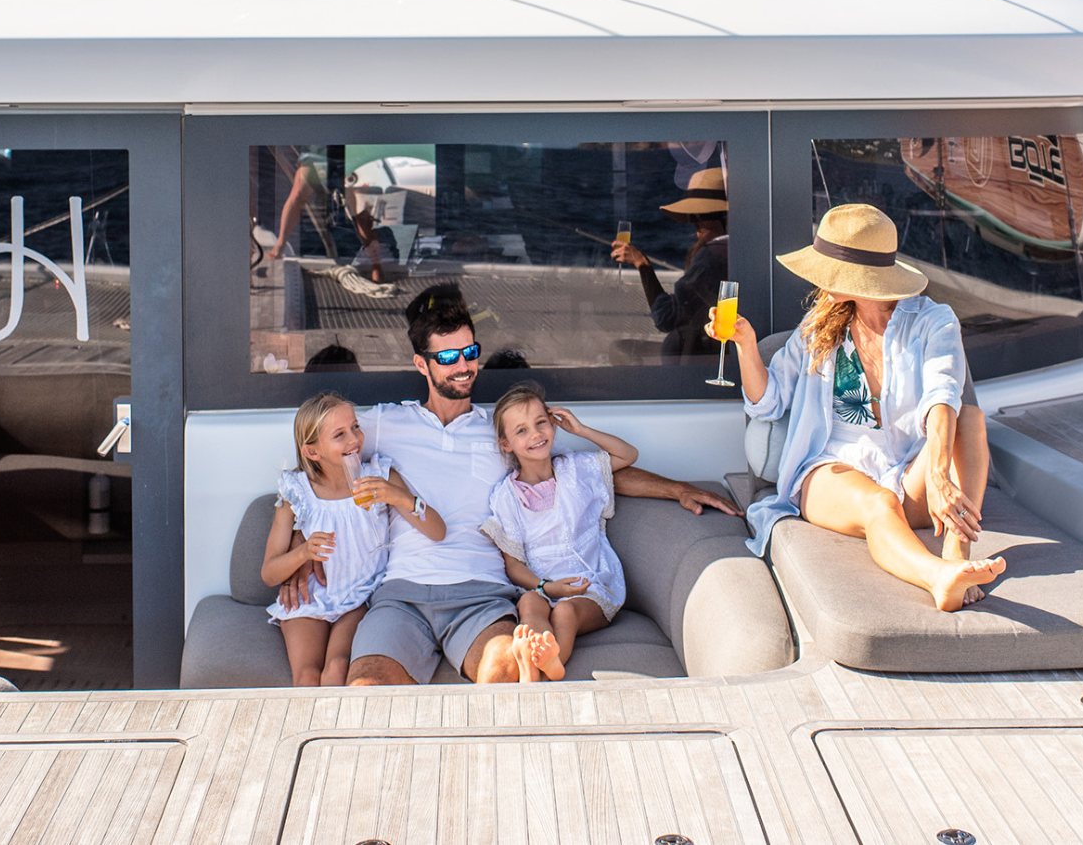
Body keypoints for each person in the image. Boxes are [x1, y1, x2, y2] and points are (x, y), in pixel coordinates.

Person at [278, 283, 742, 686]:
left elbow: (588, 471)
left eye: (470, 352)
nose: (464, 366)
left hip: (481, 593)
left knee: (504, 674)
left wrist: (677, 489)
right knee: (366, 687)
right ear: (422, 365)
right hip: (401, 593)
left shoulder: (502, 430)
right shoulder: (385, 424)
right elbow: (321, 460)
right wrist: (300, 546)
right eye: (448, 357)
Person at [721, 204, 1003, 612]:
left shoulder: (933, 321)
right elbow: (768, 402)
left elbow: (942, 396)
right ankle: (938, 576)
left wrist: (938, 475)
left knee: (970, 419)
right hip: (830, 471)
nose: (818, 278)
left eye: (830, 269)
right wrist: (746, 344)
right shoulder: (818, 326)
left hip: (908, 470)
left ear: (863, 277)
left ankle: (956, 552)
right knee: (879, 503)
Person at [260, 392, 445, 686]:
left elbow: (437, 530)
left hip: (360, 596)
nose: (354, 439)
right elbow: (269, 573)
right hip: (312, 597)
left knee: (336, 669)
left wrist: (398, 496)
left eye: (355, 427)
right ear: (312, 452)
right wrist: (303, 553)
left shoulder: (379, 476)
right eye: (340, 435)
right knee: (306, 676)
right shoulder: (297, 491)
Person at [482, 381, 637, 682]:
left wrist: (581, 430)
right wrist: (546, 587)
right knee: (529, 605)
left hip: (589, 585)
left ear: (553, 423)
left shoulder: (576, 470)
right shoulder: (506, 496)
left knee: (565, 612)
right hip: (542, 586)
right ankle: (533, 661)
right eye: (521, 430)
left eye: (541, 423)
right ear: (506, 444)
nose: (536, 434)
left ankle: (554, 662)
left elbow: (628, 454)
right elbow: (514, 564)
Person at [612, 167, 729, 363]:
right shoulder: (739, 251)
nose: (694, 223)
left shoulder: (711, 257)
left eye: (699, 216)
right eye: (692, 216)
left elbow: (666, 318)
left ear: (724, 217)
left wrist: (642, 264)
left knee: (620, 348)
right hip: (718, 355)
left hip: (697, 361)